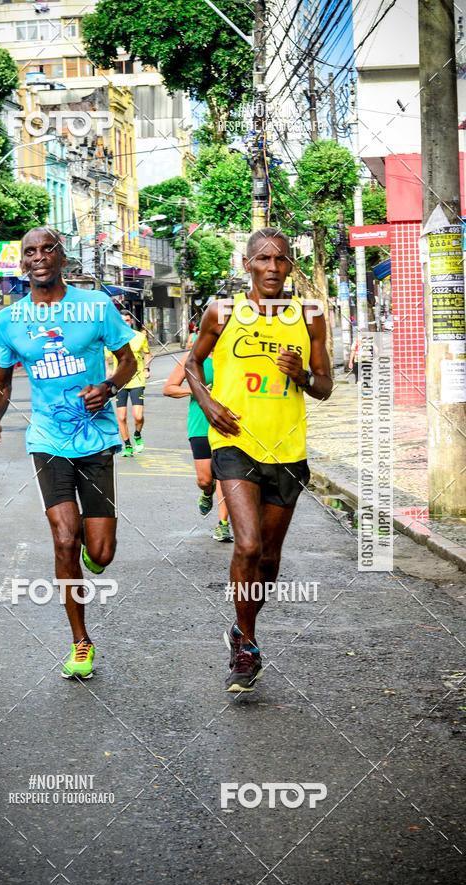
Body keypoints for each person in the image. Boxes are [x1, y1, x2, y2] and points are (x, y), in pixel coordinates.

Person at [185, 228, 332, 693]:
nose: (272, 267)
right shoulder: (222, 311)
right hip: (234, 444)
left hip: (287, 451)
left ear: (291, 266)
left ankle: (241, 627)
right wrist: (208, 406)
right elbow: (191, 364)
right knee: (247, 545)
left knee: (268, 559)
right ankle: (246, 645)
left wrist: (303, 374)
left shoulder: (309, 316)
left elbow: (325, 386)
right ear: (246, 264)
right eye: (263, 259)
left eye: (281, 260)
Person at [0, 228, 136, 680]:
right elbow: (3, 378)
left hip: (96, 439)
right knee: (64, 539)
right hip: (48, 440)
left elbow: (128, 361)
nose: (38, 257)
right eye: (29, 252)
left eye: (46, 248)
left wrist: (109, 386)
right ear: (22, 263)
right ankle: (81, 641)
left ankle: (95, 557)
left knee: (101, 552)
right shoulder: (9, 321)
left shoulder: (94, 306)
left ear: (61, 256)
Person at [164, 351, 232, 542]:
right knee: (205, 479)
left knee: (224, 475)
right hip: (200, 424)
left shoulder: (235, 354)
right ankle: (206, 492)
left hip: (228, 424)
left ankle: (223, 525)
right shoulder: (193, 357)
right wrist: (194, 390)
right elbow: (169, 388)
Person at [108, 310, 151, 457]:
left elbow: (147, 353)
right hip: (119, 382)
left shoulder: (139, 336)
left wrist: (146, 368)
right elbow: (106, 356)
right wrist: (109, 370)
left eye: (127, 320)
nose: (124, 322)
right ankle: (127, 445)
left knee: (138, 416)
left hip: (137, 380)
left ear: (131, 321)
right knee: (122, 417)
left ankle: (137, 434)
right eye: (122, 320)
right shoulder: (113, 337)